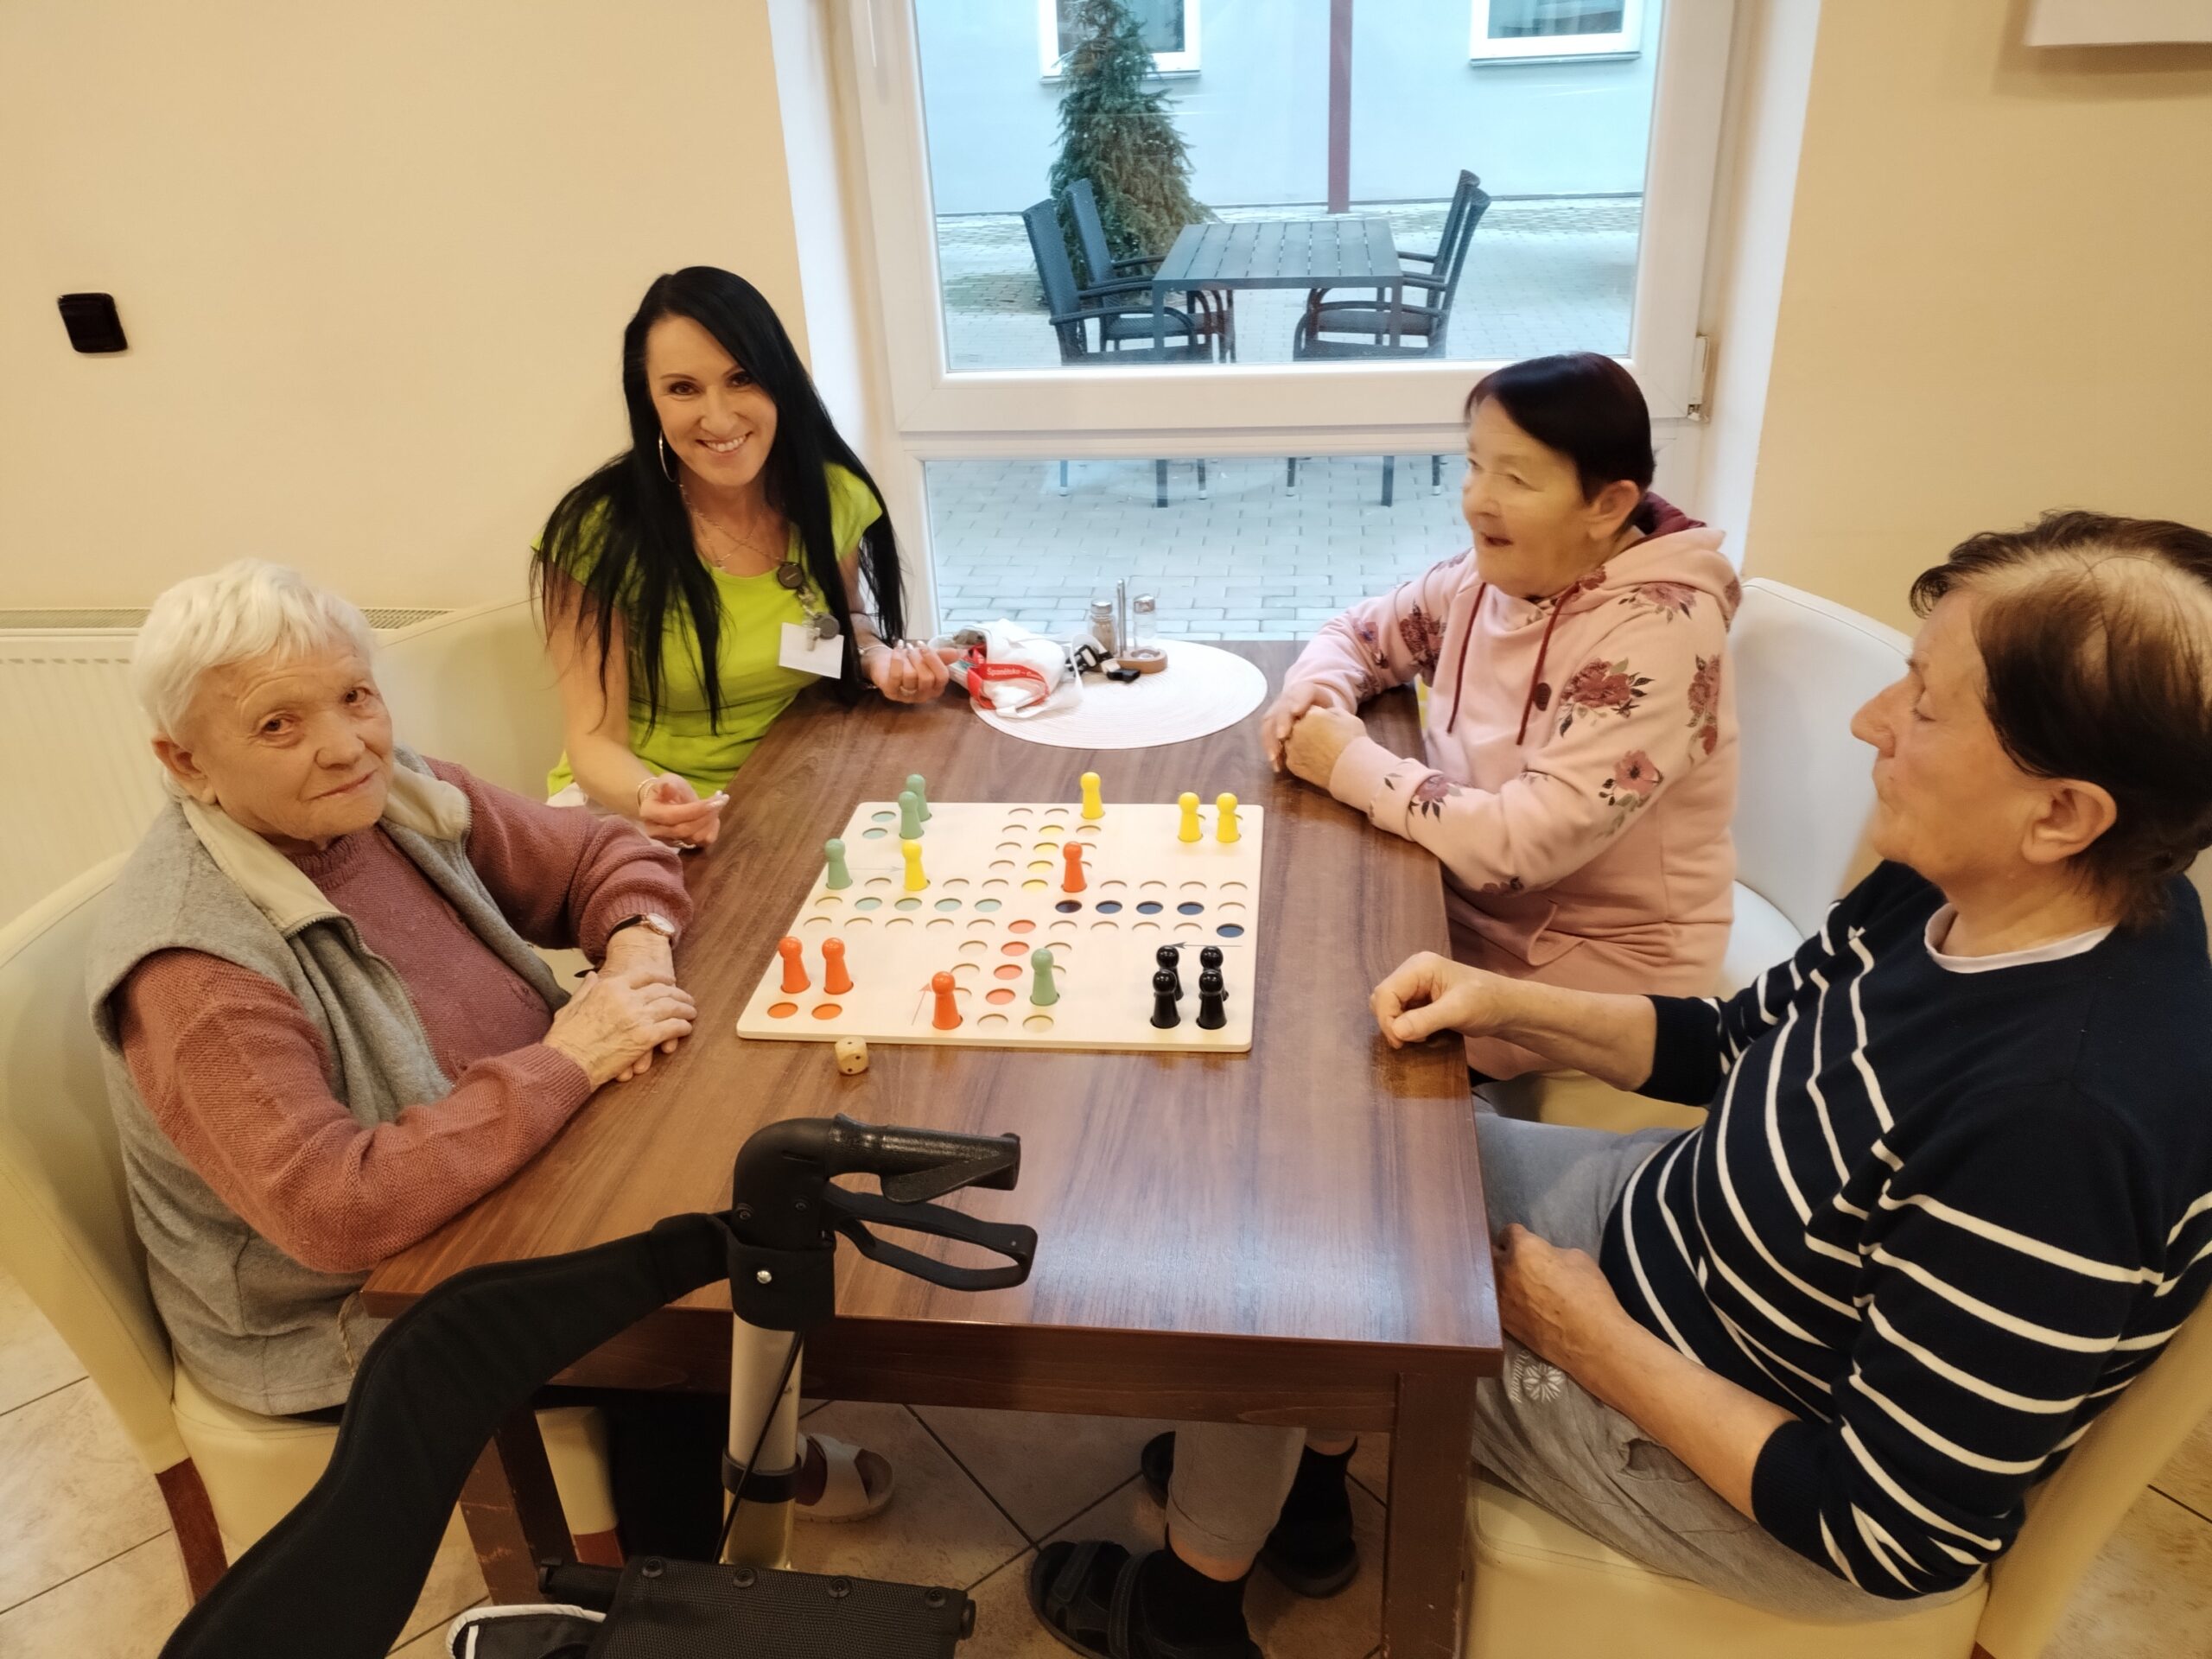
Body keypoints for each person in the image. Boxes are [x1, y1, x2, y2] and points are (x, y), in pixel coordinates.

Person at [1030, 511, 2212, 1655]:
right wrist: (1506, 1002)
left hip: (1739, 1468)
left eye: (1924, 704)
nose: (1872, 722)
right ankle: (1293, 1487)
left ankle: (1186, 1615)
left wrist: (1583, 1336)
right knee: (1315, 1148)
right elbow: (1742, 1041)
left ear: (2062, 814)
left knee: (1287, 1287)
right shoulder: (1979, 885)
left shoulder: (2062, 1125)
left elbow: (1889, 1530)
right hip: (1671, 1235)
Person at [86, 561, 887, 1559]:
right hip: (350, 1314)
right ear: (186, 761)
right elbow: (337, 1213)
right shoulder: (194, 969)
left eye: (355, 696)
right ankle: (678, 1580)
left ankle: (748, 1453)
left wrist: (635, 949)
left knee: (750, 1159)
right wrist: (567, 1060)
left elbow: (599, 853)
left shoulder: (391, 793)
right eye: (278, 725)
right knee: (679, 1299)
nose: (345, 745)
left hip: (511, 1170)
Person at [1262, 353, 1740, 1079]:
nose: (1478, 501)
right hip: (1456, 902)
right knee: (1282, 963)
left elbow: (1522, 848)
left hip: (1599, 968)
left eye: (1515, 479)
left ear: (1608, 505)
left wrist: (1345, 763)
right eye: (1474, 465)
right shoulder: (1495, 577)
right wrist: (1317, 696)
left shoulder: (1662, 631)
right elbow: (1359, 635)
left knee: (1322, 1051)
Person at [534, 266, 954, 849]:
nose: (720, 418)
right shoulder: (596, 533)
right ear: (649, 400)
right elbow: (592, 742)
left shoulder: (829, 496)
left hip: (787, 779)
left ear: (778, 380)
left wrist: (878, 658)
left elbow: (846, 619)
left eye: (741, 378)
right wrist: (650, 797)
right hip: (632, 812)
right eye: (683, 389)